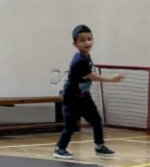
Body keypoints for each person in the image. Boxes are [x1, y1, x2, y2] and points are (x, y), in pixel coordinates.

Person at [53, 24, 124, 159]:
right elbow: (92, 76)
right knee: (70, 126)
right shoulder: (79, 60)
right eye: (82, 40)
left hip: (83, 96)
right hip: (72, 97)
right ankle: (59, 149)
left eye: (89, 39)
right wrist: (111, 79)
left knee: (96, 120)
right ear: (75, 44)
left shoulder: (86, 56)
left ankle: (99, 146)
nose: (87, 43)